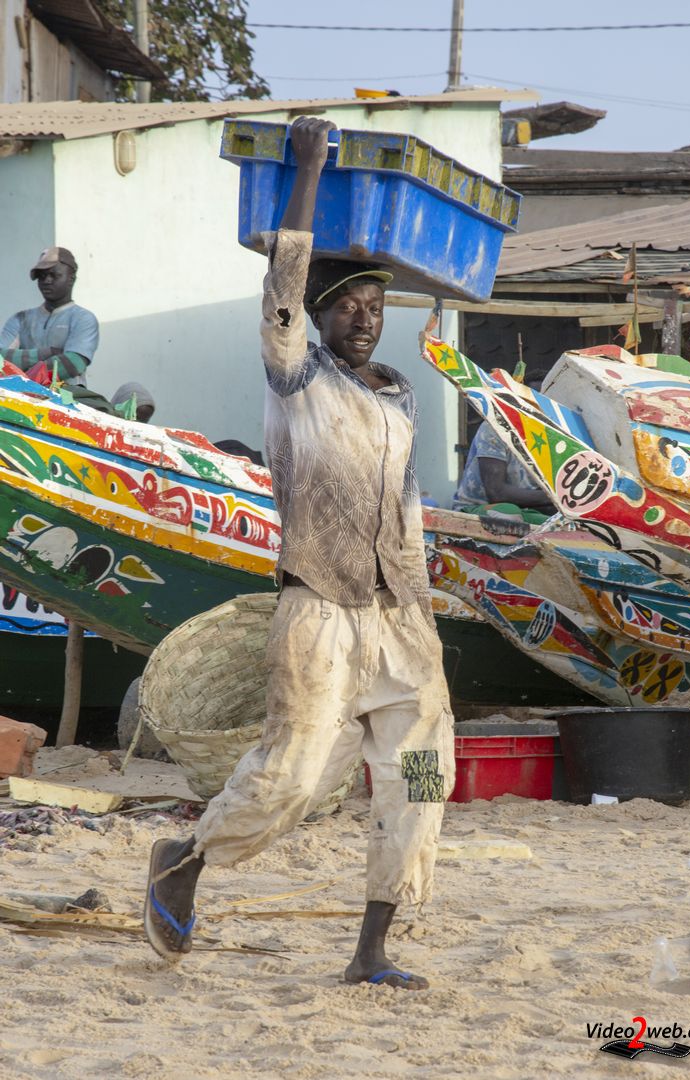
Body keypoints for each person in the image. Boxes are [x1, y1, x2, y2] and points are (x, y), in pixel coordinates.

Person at [143, 116, 454, 990]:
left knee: (421, 776)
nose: (364, 320)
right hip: (319, 612)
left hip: (399, 621)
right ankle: (185, 859)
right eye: (347, 307)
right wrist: (309, 170)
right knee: (291, 778)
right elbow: (279, 290)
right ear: (316, 316)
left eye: (375, 308)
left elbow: (407, 508)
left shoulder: (399, 397)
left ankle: (371, 950)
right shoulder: (299, 378)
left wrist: (424, 607)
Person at [0, 247, 99, 388]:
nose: (46, 281)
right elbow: (1, 359)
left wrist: (23, 376)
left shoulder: (83, 319)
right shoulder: (20, 319)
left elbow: (73, 363)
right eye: (41, 276)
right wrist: (47, 353)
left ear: (71, 278)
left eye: (54, 275)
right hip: (21, 396)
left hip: (68, 396)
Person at [454, 418, 556, 522]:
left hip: (524, 512)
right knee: (508, 513)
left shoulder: (548, 434)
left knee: (560, 526)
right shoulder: (495, 426)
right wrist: (555, 498)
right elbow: (496, 493)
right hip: (477, 508)